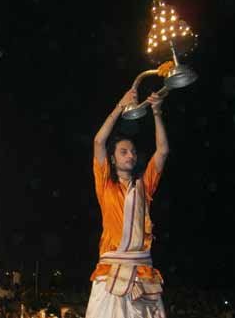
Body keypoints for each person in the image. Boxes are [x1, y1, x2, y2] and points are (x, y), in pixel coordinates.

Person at [85, 81, 170, 318]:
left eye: (132, 151)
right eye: (123, 152)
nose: (130, 155)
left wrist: (156, 111)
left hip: (143, 274)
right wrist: (119, 107)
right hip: (109, 273)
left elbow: (162, 151)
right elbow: (98, 142)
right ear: (112, 159)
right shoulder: (105, 185)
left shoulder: (145, 186)